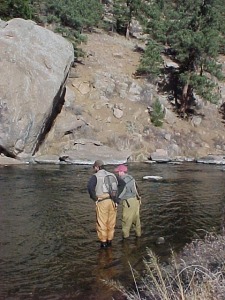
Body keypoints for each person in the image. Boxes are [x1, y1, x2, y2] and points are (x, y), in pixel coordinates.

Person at [87, 160, 126, 249]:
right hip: (112, 201)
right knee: (111, 223)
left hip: (102, 201)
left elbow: (90, 188)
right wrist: (117, 198)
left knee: (102, 223)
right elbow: (123, 184)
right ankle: (110, 242)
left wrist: (95, 198)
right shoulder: (112, 175)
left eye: (94, 167)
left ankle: (103, 244)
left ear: (97, 167)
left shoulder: (95, 176)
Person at [114, 164, 141, 239]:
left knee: (126, 221)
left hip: (128, 203)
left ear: (121, 172)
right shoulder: (131, 178)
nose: (118, 173)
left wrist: (117, 201)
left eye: (118, 172)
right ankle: (138, 237)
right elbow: (137, 188)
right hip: (136, 201)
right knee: (136, 221)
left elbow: (123, 191)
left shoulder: (122, 180)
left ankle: (125, 240)